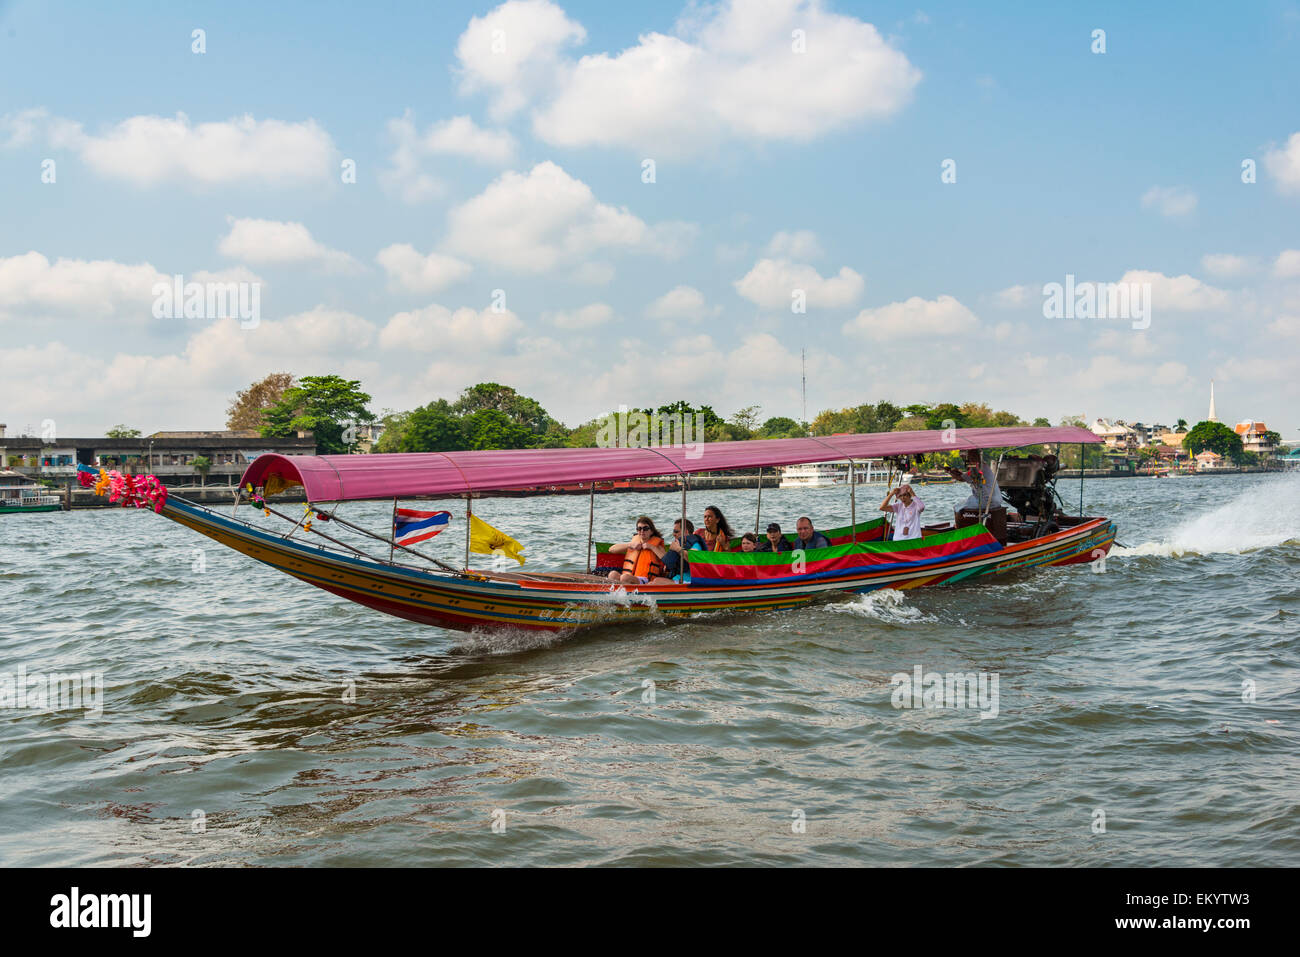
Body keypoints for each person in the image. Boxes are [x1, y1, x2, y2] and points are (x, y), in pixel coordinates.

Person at [607, 516, 668, 584]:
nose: (642, 531)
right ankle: (616, 593)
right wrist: (630, 545)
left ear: (651, 531)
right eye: (639, 528)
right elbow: (611, 549)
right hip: (629, 576)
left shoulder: (657, 546)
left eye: (645, 528)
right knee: (612, 574)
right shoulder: (633, 544)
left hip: (646, 580)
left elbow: (667, 560)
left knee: (625, 577)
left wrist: (651, 547)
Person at [946, 449, 1002, 514]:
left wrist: (949, 472)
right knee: (963, 503)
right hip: (997, 501)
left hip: (986, 501)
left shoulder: (976, 467)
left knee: (957, 507)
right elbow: (965, 475)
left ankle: (965, 523)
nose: (965, 460)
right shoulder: (982, 465)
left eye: (965, 458)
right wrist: (955, 472)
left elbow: (961, 478)